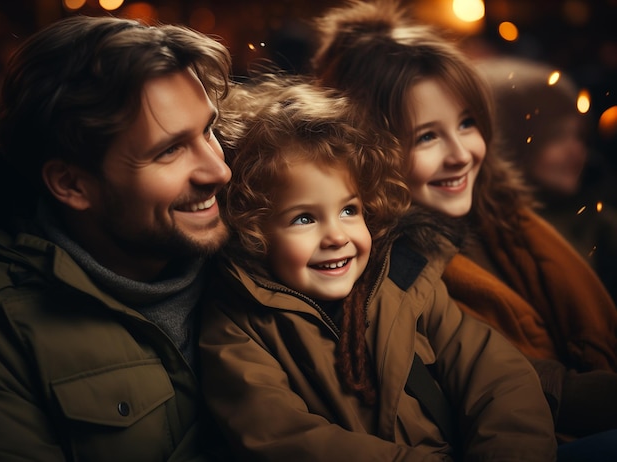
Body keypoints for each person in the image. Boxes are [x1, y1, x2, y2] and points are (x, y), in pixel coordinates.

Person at [311, 0, 617, 453]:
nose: (461, 153)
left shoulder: (500, 217)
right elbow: (520, 385)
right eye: (427, 136)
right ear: (371, 151)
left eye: (467, 123)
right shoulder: (388, 271)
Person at [199, 77, 557, 461]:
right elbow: (286, 440)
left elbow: (497, 377)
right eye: (304, 219)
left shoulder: (405, 284)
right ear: (253, 231)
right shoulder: (235, 329)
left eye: (349, 210)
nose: (337, 236)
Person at [0, 15, 235, 461]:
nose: (219, 170)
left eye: (209, 131)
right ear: (72, 184)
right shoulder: (5, 334)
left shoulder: (270, 241)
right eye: (170, 150)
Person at [476, 56, 617, 303]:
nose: (577, 150)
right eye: (556, 137)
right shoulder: (481, 240)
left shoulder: (599, 226)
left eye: (579, 136)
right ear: (509, 142)